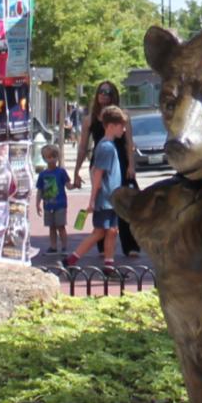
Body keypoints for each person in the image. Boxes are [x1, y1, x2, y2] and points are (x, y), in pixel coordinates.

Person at [73, 81, 140, 257]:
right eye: (101, 91)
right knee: (103, 203)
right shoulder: (90, 118)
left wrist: (131, 165)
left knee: (126, 204)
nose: (103, 94)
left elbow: (129, 143)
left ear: (114, 95)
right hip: (101, 161)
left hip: (121, 163)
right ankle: (104, 247)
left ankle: (130, 245)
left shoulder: (122, 116)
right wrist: (76, 171)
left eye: (108, 92)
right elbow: (82, 147)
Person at [62, 105, 126, 275]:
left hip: (111, 198)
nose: (124, 129)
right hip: (105, 198)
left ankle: (109, 266)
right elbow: (98, 173)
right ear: (111, 126)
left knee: (112, 231)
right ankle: (70, 260)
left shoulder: (109, 146)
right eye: (121, 126)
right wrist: (92, 199)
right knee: (99, 232)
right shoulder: (106, 147)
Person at [36, 144, 71, 254]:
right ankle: (53, 246)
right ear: (44, 158)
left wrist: (75, 185)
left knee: (61, 226)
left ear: (57, 157)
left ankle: (64, 246)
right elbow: (40, 190)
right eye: (48, 157)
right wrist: (37, 203)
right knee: (51, 227)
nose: (51, 159)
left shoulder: (61, 172)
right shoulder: (42, 174)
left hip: (60, 204)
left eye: (54, 156)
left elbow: (68, 185)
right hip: (48, 205)